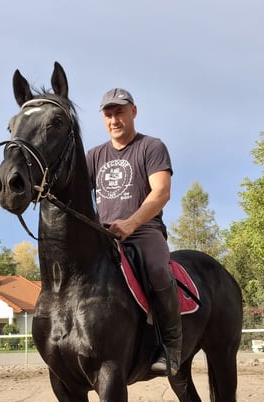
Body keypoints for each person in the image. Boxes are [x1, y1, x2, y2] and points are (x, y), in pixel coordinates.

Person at [86, 88, 182, 375]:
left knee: (156, 269)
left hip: (144, 230)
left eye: (119, 112)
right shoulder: (93, 156)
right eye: (108, 114)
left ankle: (171, 347)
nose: (114, 119)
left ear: (133, 112)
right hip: (104, 234)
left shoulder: (151, 147)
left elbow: (161, 192)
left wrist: (131, 223)